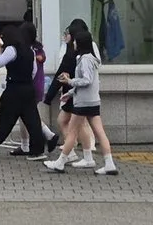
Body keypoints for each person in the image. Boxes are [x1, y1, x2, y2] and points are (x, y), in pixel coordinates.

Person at [45, 31, 118, 175]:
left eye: (76, 41)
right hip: (93, 101)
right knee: (99, 132)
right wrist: (70, 93)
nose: (73, 43)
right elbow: (90, 83)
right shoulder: (92, 59)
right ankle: (109, 163)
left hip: (83, 103)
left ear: (81, 43)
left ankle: (60, 163)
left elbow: (86, 80)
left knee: (72, 132)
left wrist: (69, 82)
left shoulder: (84, 60)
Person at [0, 25, 47, 161]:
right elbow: (33, 71)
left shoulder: (11, 49)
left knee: (4, 119)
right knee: (33, 120)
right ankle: (37, 150)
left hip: (14, 89)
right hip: (28, 88)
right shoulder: (29, 51)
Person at [45, 19, 102, 167]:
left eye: (68, 34)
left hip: (79, 95)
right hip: (76, 94)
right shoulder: (79, 52)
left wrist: (69, 84)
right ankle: (82, 156)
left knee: (71, 124)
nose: (66, 36)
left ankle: (67, 157)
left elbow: (71, 76)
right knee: (72, 123)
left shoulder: (77, 55)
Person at [10, 22, 60, 156]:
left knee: (29, 115)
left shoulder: (32, 49)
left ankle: (48, 135)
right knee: (24, 115)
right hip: (35, 85)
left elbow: (41, 58)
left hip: (30, 85)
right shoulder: (34, 47)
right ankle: (25, 145)